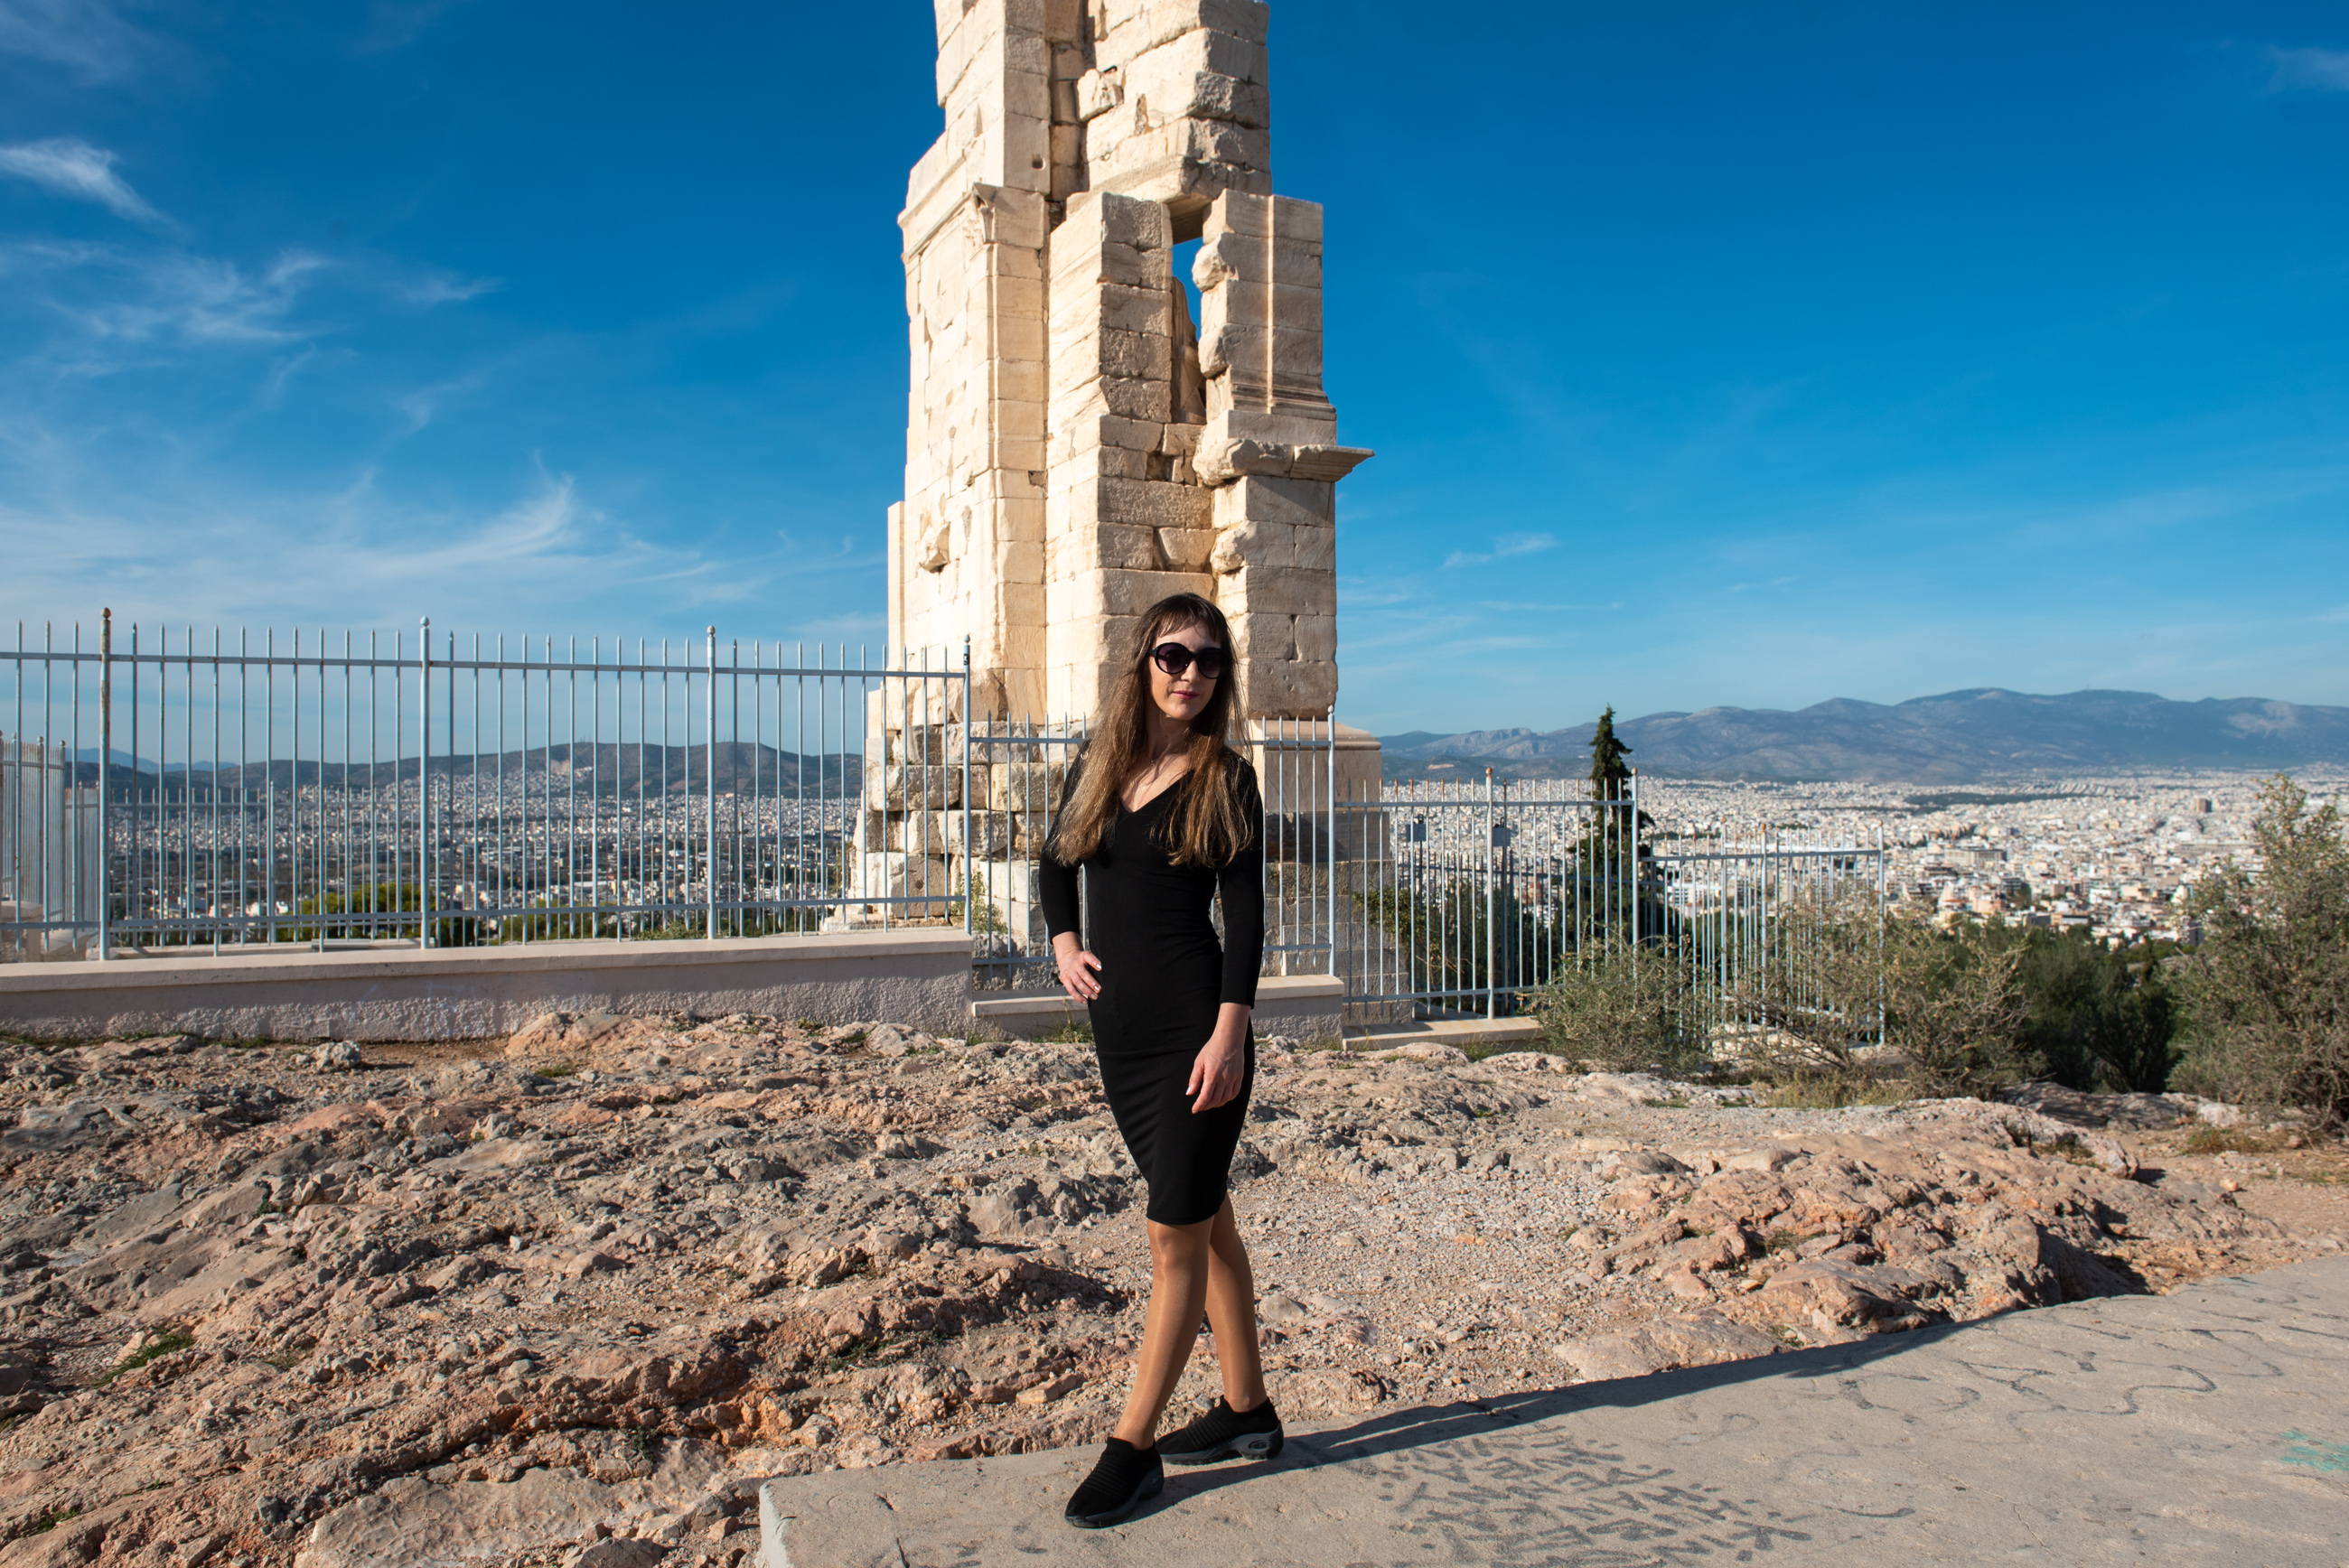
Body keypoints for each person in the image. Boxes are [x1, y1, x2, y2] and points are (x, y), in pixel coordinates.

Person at [1038, 593, 1285, 1529]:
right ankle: (1247, 1410)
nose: (1191, 674)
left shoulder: (1227, 777)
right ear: (1143, 660)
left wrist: (1231, 1031)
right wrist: (1063, 942)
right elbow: (1053, 861)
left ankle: (1131, 1447)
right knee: (1207, 1219)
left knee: (1171, 1235)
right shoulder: (1103, 763)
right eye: (1174, 655)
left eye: (1210, 660)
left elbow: (1246, 918)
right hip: (1123, 1040)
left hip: (1195, 1034)